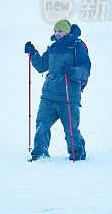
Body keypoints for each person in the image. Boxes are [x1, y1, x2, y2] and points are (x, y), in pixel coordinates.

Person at [24, 19, 91, 161]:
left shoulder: (77, 47)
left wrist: (72, 71)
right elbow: (42, 66)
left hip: (68, 95)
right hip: (49, 94)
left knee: (71, 129)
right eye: (55, 30)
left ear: (67, 31)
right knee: (42, 124)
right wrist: (33, 53)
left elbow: (86, 70)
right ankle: (39, 154)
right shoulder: (53, 48)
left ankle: (78, 155)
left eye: (60, 30)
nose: (57, 33)